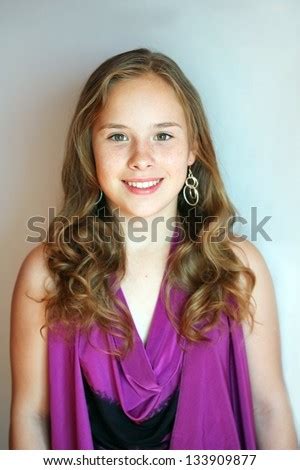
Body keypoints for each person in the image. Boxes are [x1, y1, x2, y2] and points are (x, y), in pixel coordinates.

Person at [9, 48, 298, 450]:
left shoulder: (237, 266)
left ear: (192, 148)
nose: (141, 158)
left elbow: (269, 408)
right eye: (117, 136)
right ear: (88, 150)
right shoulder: (47, 271)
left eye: (162, 135)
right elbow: (31, 415)